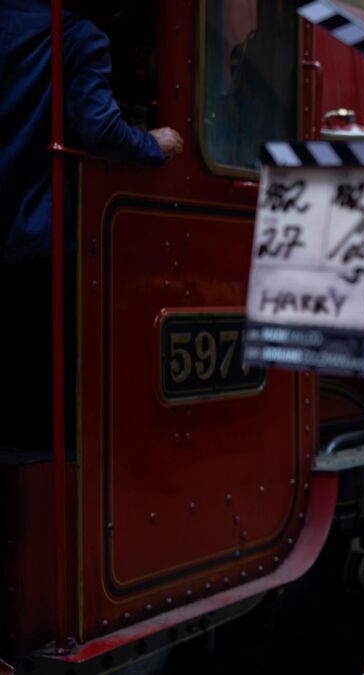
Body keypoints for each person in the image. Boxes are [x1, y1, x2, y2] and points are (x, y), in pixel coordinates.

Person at [0, 0, 182, 450]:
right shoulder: (78, 35)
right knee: (42, 404)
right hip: (40, 237)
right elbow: (100, 128)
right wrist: (150, 143)